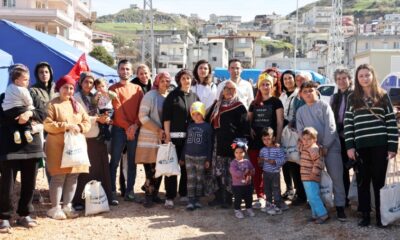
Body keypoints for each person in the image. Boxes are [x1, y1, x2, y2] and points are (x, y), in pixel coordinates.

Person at [344, 64, 398, 227]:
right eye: (361, 76)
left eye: (367, 75)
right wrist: (350, 146)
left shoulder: (382, 96)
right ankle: (365, 215)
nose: (364, 78)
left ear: (373, 76)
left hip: (380, 146)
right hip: (360, 147)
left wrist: (392, 146)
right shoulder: (352, 98)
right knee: (362, 181)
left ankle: (382, 216)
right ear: (357, 78)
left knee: (379, 182)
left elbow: (390, 121)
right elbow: (348, 123)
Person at [0, 65, 46, 232]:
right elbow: (1, 118)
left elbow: (43, 114)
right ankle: (4, 217)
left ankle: (24, 214)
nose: (26, 82)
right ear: (14, 79)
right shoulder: (4, 97)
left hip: (32, 146)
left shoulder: (33, 95)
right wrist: (17, 119)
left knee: (29, 183)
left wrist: (30, 114)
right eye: (23, 78)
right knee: (7, 184)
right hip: (10, 147)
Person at [296, 81, 347, 221]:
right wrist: (310, 147)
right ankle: (320, 208)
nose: (308, 93)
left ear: (316, 91)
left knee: (336, 177)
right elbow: (300, 131)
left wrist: (324, 146)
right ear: (301, 94)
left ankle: (340, 207)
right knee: (314, 179)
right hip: (311, 152)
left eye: (310, 90)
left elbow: (331, 127)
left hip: (330, 149)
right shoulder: (300, 111)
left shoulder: (324, 106)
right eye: (305, 91)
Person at [44, 75, 91, 220]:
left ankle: (67, 206)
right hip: (57, 147)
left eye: (71, 88)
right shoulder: (52, 104)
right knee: (58, 177)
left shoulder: (76, 104)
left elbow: (87, 122)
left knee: (73, 176)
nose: (69, 91)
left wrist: (79, 126)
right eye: (66, 87)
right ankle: (55, 208)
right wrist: (66, 126)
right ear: (59, 88)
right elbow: (47, 124)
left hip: (75, 148)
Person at [72, 72, 113, 209]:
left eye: (91, 82)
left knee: (101, 169)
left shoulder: (95, 96)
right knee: (84, 171)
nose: (88, 85)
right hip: (84, 137)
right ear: (80, 83)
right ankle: (80, 201)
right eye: (86, 82)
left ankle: (103, 197)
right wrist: (97, 119)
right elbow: (77, 118)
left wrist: (105, 118)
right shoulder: (76, 98)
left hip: (97, 136)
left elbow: (102, 110)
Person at [207, 80, 250, 208]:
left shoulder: (239, 106)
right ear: (222, 90)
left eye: (232, 89)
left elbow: (244, 127)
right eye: (226, 89)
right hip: (216, 144)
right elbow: (207, 121)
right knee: (217, 170)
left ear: (236, 91)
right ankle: (218, 197)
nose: (229, 91)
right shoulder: (216, 105)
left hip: (232, 145)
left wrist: (240, 146)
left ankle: (228, 198)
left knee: (230, 171)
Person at [163, 69, 199, 208]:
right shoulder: (172, 96)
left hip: (189, 139)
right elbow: (166, 118)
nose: (186, 80)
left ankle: (183, 193)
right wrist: (167, 136)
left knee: (186, 168)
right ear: (179, 80)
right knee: (172, 167)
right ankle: (169, 196)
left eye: (188, 78)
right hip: (173, 138)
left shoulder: (195, 97)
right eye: (183, 78)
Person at [109, 59, 144, 205]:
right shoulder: (113, 89)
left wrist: (134, 126)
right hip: (118, 129)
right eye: (122, 69)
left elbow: (141, 110)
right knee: (114, 161)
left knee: (132, 162)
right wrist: (127, 127)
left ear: (132, 71)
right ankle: (111, 192)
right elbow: (117, 110)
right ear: (118, 71)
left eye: (127, 69)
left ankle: (130, 191)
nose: (125, 71)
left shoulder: (138, 89)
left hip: (134, 130)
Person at [248, 72, 284, 208]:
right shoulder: (254, 102)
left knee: (271, 170)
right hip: (255, 141)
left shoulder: (276, 101)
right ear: (259, 86)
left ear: (272, 85)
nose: (265, 86)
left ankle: (274, 197)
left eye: (267, 84)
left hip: (271, 142)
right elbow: (249, 120)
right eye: (262, 84)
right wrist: (249, 129)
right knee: (257, 170)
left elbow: (280, 122)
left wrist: (278, 140)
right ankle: (260, 196)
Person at [135, 72, 171, 208]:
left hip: (163, 138)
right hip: (150, 137)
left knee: (160, 167)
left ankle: (155, 194)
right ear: (157, 81)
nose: (165, 83)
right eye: (162, 81)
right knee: (150, 169)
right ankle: (148, 197)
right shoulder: (150, 95)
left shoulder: (168, 96)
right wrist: (157, 129)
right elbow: (142, 116)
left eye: (168, 81)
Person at [288, 71, 312, 205]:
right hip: (297, 135)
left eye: (302, 79)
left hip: (309, 137)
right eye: (297, 80)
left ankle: (311, 197)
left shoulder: (312, 94)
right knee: (296, 165)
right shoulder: (296, 96)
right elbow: (295, 114)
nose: (299, 82)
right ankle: (301, 194)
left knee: (309, 167)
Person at [183, 101, 213, 211]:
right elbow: (186, 142)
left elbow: (209, 144)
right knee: (191, 178)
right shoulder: (190, 126)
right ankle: (191, 200)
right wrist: (182, 157)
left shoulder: (207, 127)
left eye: (198, 113)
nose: (196, 116)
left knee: (200, 179)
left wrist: (208, 159)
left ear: (203, 114)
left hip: (201, 157)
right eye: (193, 114)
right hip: (189, 156)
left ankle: (197, 200)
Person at [330, 69, 353, 207]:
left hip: (354, 137)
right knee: (342, 170)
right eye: (338, 78)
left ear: (349, 79)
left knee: (357, 168)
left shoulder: (356, 95)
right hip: (339, 138)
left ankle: (360, 199)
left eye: (344, 78)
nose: (341, 81)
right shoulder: (334, 97)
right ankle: (345, 199)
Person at [298, 127, 328, 224]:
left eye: (308, 139)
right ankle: (315, 214)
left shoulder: (314, 149)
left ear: (314, 139)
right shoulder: (306, 147)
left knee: (314, 196)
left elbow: (318, 163)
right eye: (304, 139)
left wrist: (313, 174)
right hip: (306, 178)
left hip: (311, 177)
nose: (305, 141)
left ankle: (323, 215)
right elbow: (299, 146)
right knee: (310, 197)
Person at [1, 64, 36, 144]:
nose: (28, 82)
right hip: (20, 109)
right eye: (25, 80)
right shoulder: (23, 90)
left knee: (11, 122)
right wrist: (30, 108)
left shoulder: (9, 88)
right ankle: (27, 131)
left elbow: (6, 99)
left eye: (28, 80)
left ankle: (15, 132)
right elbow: (29, 101)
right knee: (27, 120)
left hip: (7, 110)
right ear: (17, 81)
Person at [259, 127, 287, 215]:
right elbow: (260, 162)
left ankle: (278, 207)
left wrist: (275, 161)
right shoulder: (262, 150)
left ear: (273, 138)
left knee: (276, 190)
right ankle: (269, 205)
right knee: (267, 190)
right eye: (264, 139)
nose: (266, 141)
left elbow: (284, 159)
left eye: (269, 139)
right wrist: (260, 161)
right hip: (266, 173)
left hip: (275, 173)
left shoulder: (278, 149)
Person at [279, 70, 298, 200]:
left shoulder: (299, 94)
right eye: (285, 79)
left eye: (290, 78)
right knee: (285, 160)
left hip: (295, 130)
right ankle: (289, 188)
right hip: (283, 130)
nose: (287, 81)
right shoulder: (282, 96)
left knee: (295, 160)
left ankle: (298, 190)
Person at [229, 139, 255, 219]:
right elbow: (234, 173)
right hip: (237, 185)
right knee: (238, 198)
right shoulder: (233, 163)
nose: (239, 154)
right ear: (234, 153)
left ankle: (249, 208)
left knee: (249, 197)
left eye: (241, 152)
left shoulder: (247, 161)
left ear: (244, 152)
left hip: (247, 184)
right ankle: (237, 210)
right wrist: (244, 173)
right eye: (236, 152)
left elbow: (252, 169)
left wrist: (251, 172)